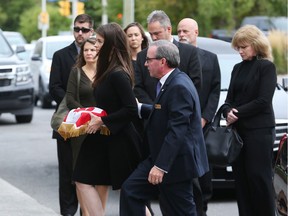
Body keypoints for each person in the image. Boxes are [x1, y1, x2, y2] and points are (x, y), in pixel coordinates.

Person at [120, 40, 209, 216]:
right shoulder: (171, 81)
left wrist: (160, 167)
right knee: (131, 190)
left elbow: (178, 130)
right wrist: (139, 109)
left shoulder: (178, 86)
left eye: (149, 60)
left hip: (175, 164)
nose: (145, 64)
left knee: (180, 210)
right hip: (163, 157)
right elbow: (164, 111)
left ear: (162, 61)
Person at [72, 22, 142, 216]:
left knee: (130, 192)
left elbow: (130, 109)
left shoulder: (118, 73)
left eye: (100, 41)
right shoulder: (108, 70)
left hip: (118, 139)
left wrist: (102, 120)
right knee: (82, 179)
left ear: (111, 44)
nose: (96, 45)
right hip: (101, 136)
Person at [222, 24, 276, 216]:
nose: (240, 51)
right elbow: (228, 100)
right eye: (238, 47)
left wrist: (236, 112)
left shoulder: (266, 67)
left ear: (256, 45)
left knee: (258, 178)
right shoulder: (237, 68)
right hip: (238, 133)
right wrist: (227, 111)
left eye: (244, 47)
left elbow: (263, 101)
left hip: (259, 132)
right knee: (241, 180)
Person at [49, 14, 94, 216]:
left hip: (92, 124)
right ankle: (67, 213)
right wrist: (75, 106)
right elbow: (54, 87)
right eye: (77, 29)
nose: (80, 33)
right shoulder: (61, 55)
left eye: (84, 30)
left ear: (91, 31)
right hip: (68, 122)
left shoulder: (98, 55)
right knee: (67, 173)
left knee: (88, 173)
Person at [177, 18, 221, 216]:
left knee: (203, 170)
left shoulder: (210, 58)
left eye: (186, 31)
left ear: (196, 32)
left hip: (202, 124)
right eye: (179, 31)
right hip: (179, 123)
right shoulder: (173, 57)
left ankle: (202, 207)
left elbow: (214, 90)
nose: (182, 34)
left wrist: (205, 117)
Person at [65, 37, 103, 216]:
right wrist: (85, 113)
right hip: (81, 129)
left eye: (92, 50)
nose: (89, 53)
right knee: (81, 175)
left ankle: (99, 212)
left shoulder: (106, 72)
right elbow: (70, 97)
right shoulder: (76, 72)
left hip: (103, 128)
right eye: (86, 50)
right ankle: (85, 213)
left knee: (102, 175)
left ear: (99, 51)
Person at [134, 10, 202, 105]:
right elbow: (138, 87)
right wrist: (155, 108)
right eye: (151, 34)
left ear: (169, 29)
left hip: (180, 111)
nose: (153, 38)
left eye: (157, 33)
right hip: (150, 115)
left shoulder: (189, 52)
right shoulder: (142, 56)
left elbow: (195, 84)